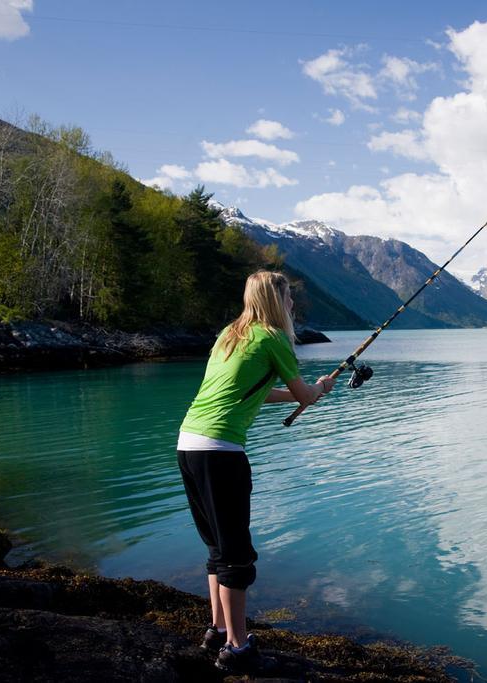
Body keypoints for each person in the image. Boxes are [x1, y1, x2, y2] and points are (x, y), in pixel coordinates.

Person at [176, 270, 334, 674]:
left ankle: (216, 629)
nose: (293, 305)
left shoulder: (231, 333)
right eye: (289, 298)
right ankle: (237, 646)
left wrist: (305, 392)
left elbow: (252, 391)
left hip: (189, 442)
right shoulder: (273, 337)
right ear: (276, 300)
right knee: (237, 557)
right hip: (220, 451)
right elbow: (303, 396)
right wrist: (317, 389)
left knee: (216, 548)